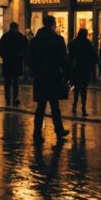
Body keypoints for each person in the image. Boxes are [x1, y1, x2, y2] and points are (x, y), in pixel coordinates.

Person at [28, 15, 69, 144]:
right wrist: (67, 75)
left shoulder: (35, 41)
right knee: (54, 105)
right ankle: (59, 129)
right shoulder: (58, 40)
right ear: (53, 24)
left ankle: (37, 133)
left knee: (41, 106)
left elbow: (28, 59)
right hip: (53, 76)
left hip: (40, 77)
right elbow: (64, 60)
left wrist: (34, 70)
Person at [68, 28, 97, 116]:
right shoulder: (88, 43)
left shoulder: (73, 43)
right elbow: (93, 56)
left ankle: (74, 105)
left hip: (76, 68)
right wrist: (91, 65)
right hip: (85, 68)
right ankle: (83, 107)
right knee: (84, 89)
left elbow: (70, 56)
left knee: (76, 88)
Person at [0, 22, 27, 106]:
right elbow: (25, 49)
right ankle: (14, 97)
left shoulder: (5, 36)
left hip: (8, 62)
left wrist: (4, 56)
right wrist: (21, 57)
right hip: (16, 62)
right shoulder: (20, 36)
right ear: (16, 28)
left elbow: (0, 48)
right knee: (15, 81)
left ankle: (7, 98)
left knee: (7, 81)